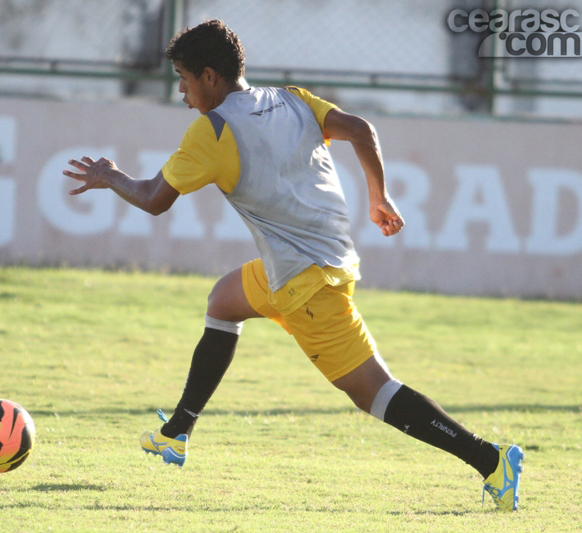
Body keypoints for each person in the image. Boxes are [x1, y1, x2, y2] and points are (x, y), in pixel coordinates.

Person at [62, 20, 524, 512]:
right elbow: (360, 129)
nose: (180, 91)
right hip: (308, 264)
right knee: (224, 300)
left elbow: (155, 199)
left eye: (183, 77)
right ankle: (177, 431)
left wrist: (111, 177)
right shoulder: (290, 98)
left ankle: (490, 460)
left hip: (305, 286)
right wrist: (379, 196)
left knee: (376, 394)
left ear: (210, 76)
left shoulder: (213, 130)